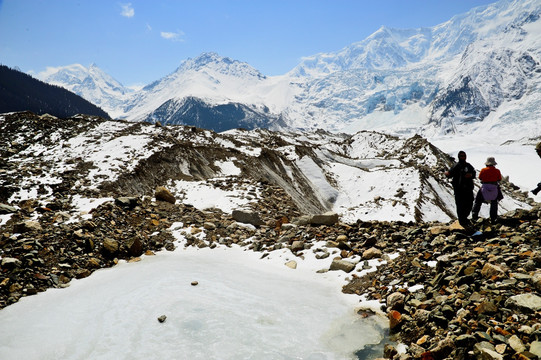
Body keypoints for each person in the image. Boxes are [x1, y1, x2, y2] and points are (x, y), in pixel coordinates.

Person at [445, 151, 476, 226]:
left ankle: (464, 218)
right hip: (459, 189)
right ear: (459, 157)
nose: (463, 157)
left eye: (464, 156)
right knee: (460, 205)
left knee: (469, 203)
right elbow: (449, 174)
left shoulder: (468, 166)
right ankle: (462, 220)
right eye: (461, 156)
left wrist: (470, 175)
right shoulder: (456, 166)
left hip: (468, 188)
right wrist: (447, 174)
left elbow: (474, 173)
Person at [472, 157, 502, 223]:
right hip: (494, 188)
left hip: (484, 187)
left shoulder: (483, 170)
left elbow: (480, 178)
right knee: (494, 202)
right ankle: (493, 218)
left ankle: (474, 215)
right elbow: (499, 179)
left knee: (478, 201)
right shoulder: (497, 171)